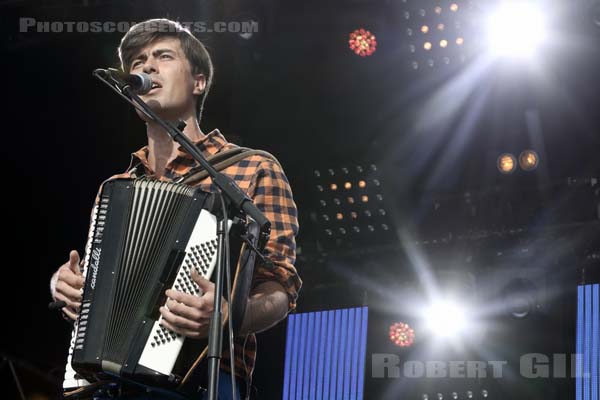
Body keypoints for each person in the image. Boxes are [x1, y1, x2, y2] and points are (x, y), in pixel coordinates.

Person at [50, 18, 301, 399]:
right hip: (108, 385)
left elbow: (279, 286)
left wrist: (226, 319)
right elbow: (100, 283)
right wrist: (64, 286)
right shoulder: (116, 189)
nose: (146, 67)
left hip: (205, 380)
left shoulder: (252, 167)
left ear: (198, 82)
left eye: (162, 56)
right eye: (136, 62)